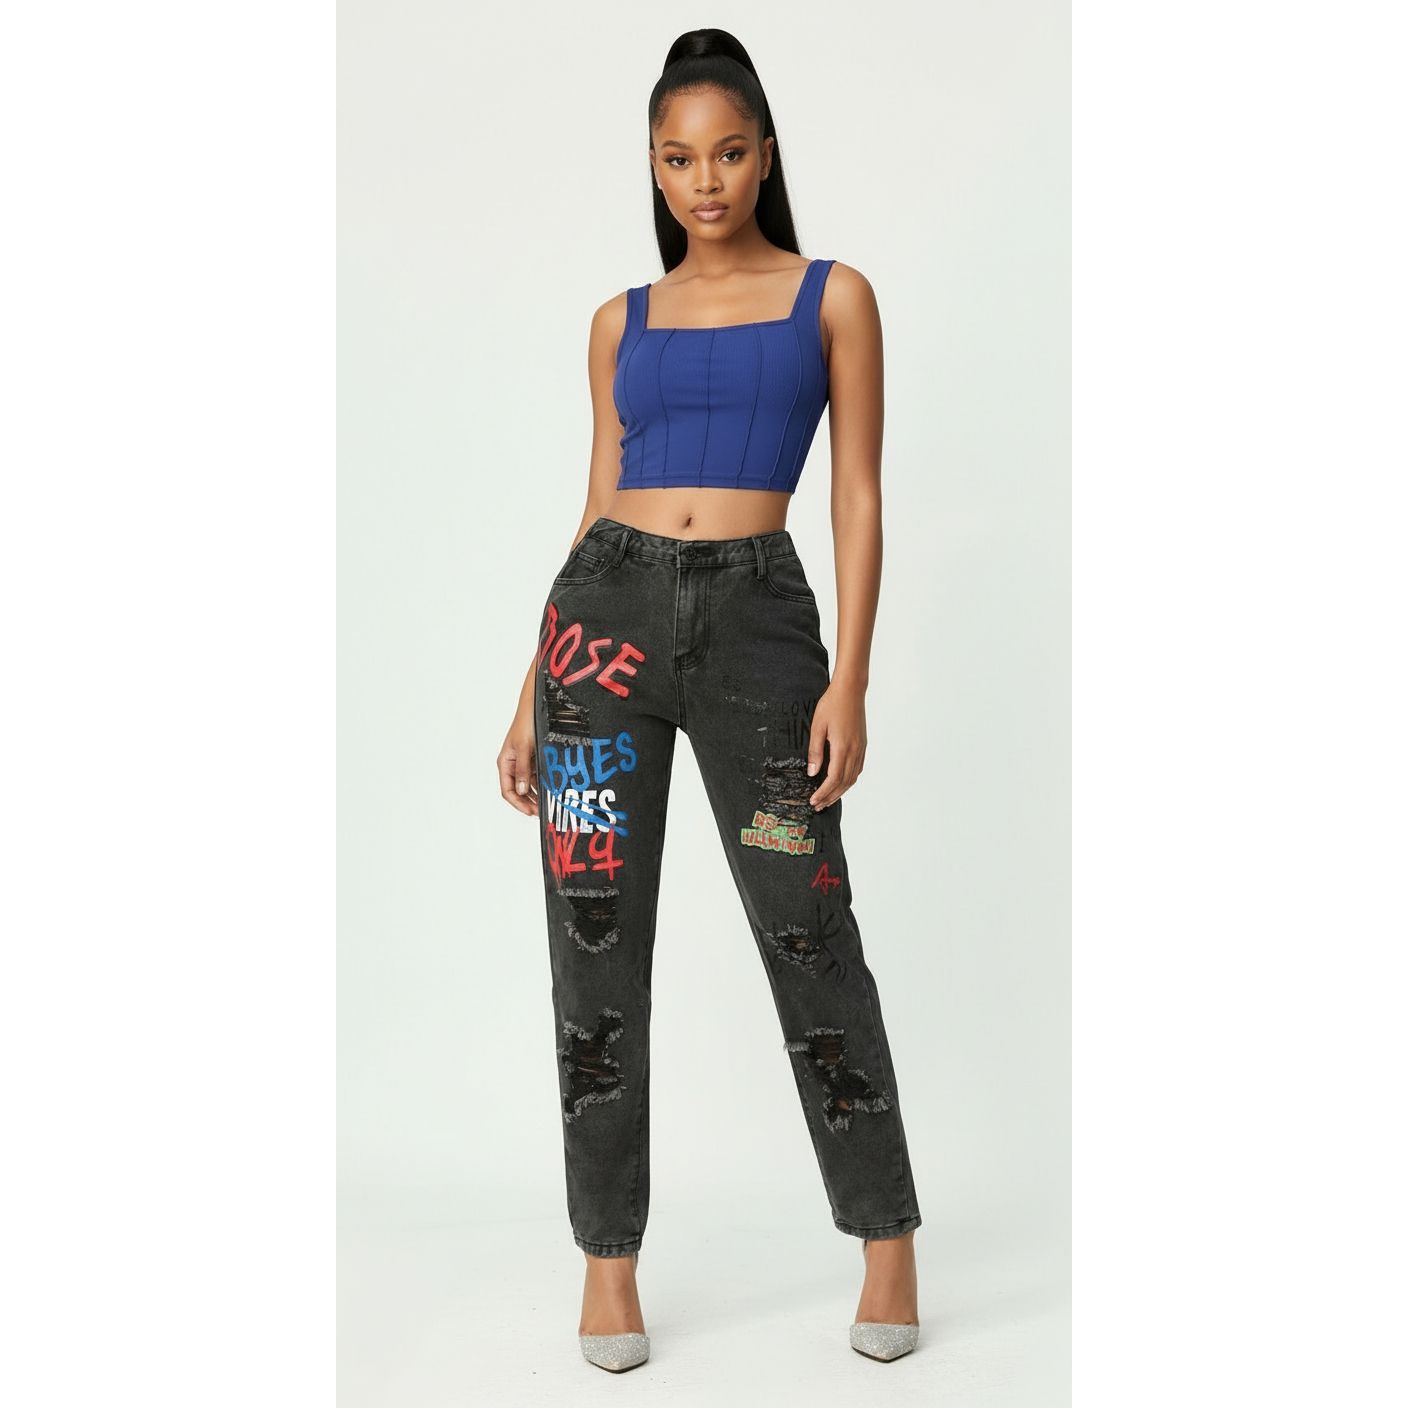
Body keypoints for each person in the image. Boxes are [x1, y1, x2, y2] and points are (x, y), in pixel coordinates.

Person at [496, 28, 923, 1371]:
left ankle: (887, 1237)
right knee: (593, 949)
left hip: (758, 627)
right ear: (653, 167)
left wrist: (851, 675)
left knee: (810, 931)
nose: (706, 180)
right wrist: (531, 688)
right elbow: (594, 503)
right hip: (601, 628)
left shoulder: (832, 297)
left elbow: (856, 493)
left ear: (766, 154)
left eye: (729, 153)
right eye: (679, 159)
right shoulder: (618, 321)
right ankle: (608, 1264)